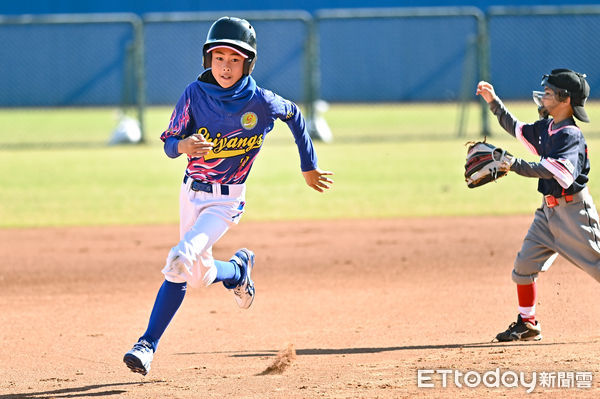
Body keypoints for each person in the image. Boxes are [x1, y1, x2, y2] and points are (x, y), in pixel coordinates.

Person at [123, 16, 334, 375]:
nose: (225, 66)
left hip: (226, 201)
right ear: (208, 59)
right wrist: (184, 146)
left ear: (247, 63)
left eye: (235, 59)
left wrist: (308, 165)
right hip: (190, 195)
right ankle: (237, 271)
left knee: (180, 258)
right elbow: (169, 144)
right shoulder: (194, 94)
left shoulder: (261, 101)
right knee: (198, 274)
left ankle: (146, 345)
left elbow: (296, 115)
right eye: (219, 57)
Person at [476, 68, 600, 342]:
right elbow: (517, 129)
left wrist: (513, 164)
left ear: (565, 99)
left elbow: (557, 172)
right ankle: (527, 323)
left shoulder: (570, 135)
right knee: (523, 268)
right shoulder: (547, 128)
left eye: (548, 92)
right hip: (548, 213)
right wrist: (494, 103)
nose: (542, 96)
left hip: (574, 214)